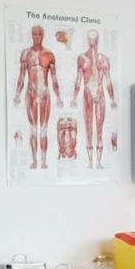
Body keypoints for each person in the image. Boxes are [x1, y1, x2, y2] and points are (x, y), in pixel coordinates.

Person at [12, 24, 62, 169]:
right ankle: (34, 160)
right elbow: (21, 77)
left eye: (39, 35)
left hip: (45, 93)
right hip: (31, 93)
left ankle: (44, 161)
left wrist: (58, 97)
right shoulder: (26, 54)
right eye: (35, 35)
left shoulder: (49, 55)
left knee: (44, 129)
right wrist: (17, 94)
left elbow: (54, 78)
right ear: (32, 36)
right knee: (33, 128)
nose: (37, 37)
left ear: (43, 36)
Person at [72, 29, 117, 168]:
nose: (93, 42)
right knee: (88, 128)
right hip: (87, 95)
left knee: (99, 130)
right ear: (88, 40)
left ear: (98, 41)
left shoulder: (103, 60)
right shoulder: (82, 58)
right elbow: (78, 79)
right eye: (91, 39)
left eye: (95, 39)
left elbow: (108, 81)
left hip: (99, 94)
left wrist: (112, 99)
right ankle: (90, 162)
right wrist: (74, 98)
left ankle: (98, 162)